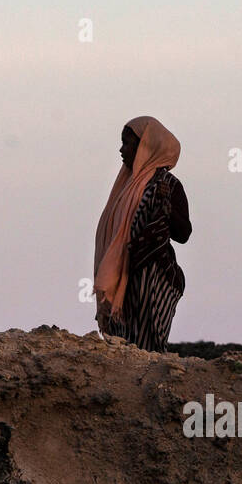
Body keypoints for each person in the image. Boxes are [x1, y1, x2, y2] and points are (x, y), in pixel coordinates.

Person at [93, 116, 192, 351]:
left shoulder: (167, 184)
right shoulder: (125, 186)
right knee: (123, 346)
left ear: (146, 147)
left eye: (127, 144)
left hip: (152, 276)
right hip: (124, 275)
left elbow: (184, 233)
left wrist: (165, 205)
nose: (121, 150)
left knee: (148, 347)